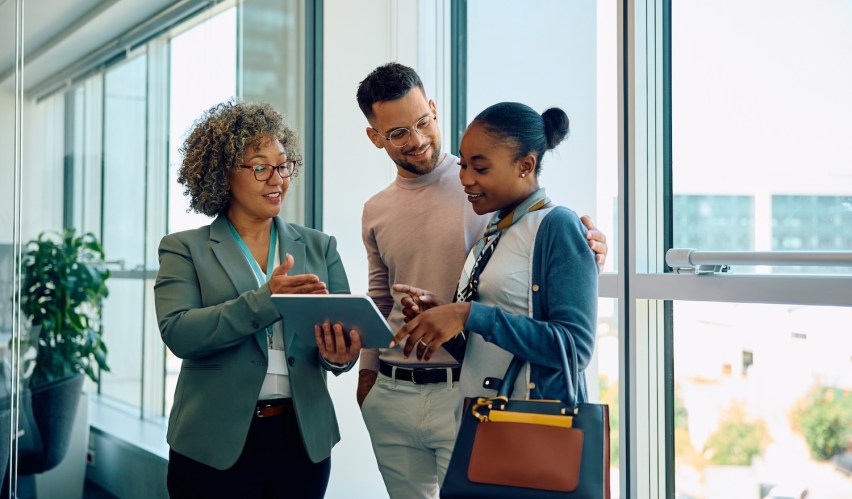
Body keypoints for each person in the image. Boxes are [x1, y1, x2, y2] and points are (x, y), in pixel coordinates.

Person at [355, 62, 607, 499]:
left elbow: (571, 340)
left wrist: (588, 252)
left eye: (423, 122)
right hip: (434, 397)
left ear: (434, 110)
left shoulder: (508, 205)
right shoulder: (491, 223)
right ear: (376, 137)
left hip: (499, 407)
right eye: (398, 133)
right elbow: (392, 303)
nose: (467, 177)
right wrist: (436, 320)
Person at [154, 101, 361, 498]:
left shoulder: (320, 246)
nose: (277, 180)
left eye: (284, 166)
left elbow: (340, 341)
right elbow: (180, 333)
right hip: (212, 441)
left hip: (303, 440)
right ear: (222, 174)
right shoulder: (185, 248)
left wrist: (340, 355)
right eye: (260, 167)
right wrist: (267, 299)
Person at [392, 101, 598, 414]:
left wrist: (468, 314)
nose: (466, 179)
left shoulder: (557, 225)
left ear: (525, 166)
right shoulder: (496, 229)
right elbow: (488, 350)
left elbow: (575, 348)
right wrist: (443, 319)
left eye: (481, 167)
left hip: (531, 429)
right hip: (483, 421)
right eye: (462, 165)